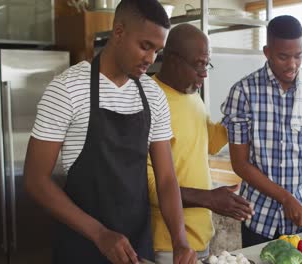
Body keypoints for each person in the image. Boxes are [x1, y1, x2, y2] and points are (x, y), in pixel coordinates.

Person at [23, 0, 197, 263]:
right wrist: (100, 233)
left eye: (157, 50)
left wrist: (180, 241)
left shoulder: (153, 95)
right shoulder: (66, 89)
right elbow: (36, 180)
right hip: (80, 248)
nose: (150, 59)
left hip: (137, 250)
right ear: (118, 32)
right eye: (145, 46)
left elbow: (166, 179)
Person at [220, 15, 302, 248]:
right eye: (283, 57)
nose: (292, 65)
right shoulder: (244, 92)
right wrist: (285, 198)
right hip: (259, 218)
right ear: (267, 52)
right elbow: (240, 163)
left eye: (298, 56)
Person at [147, 24, 255, 263]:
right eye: (199, 65)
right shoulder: (150, 99)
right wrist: (209, 198)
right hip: (168, 244)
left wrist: (239, 116)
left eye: (207, 64)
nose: (204, 74)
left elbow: (210, 143)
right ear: (173, 59)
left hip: (201, 237)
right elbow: (149, 187)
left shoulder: (193, 95)